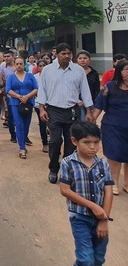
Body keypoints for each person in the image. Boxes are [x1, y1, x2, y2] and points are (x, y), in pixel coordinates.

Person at [37, 43, 94, 184]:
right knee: (55, 141)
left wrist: (88, 111)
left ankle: (66, 170)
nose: (67, 56)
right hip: (53, 110)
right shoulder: (48, 70)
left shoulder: (78, 70)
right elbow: (42, 90)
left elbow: (85, 91)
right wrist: (42, 109)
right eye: (63, 53)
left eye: (69, 53)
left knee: (71, 143)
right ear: (56, 54)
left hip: (72, 111)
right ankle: (53, 168)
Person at [59, 122, 113, 266]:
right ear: (74, 141)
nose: (92, 147)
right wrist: (92, 205)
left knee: (98, 258)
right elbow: (65, 190)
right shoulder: (68, 163)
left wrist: (104, 220)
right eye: (86, 142)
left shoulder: (103, 164)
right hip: (79, 217)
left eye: (96, 142)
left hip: (101, 218)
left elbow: (108, 191)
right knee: (86, 260)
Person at [92, 60, 128, 196]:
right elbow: (100, 105)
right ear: (119, 71)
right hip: (113, 127)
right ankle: (113, 182)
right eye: (126, 69)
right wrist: (92, 120)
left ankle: (127, 183)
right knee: (115, 154)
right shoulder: (109, 87)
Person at [6, 57, 38, 159]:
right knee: (19, 124)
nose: (19, 66)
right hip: (16, 103)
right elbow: (8, 90)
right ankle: (22, 148)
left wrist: (27, 97)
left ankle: (23, 142)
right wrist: (19, 97)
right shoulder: (11, 77)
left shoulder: (30, 76)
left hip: (28, 103)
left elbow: (36, 88)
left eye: (21, 63)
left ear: (24, 65)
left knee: (26, 125)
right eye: (17, 64)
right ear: (14, 65)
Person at [76, 50, 100, 121]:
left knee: (90, 122)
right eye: (80, 58)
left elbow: (97, 89)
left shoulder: (94, 73)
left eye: (85, 58)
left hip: (91, 102)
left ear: (89, 60)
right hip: (77, 102)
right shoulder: (73, 72)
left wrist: (95, 103)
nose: (82, 60)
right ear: (76, 60)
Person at [0, 50, 17, 143]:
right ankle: (13, 134)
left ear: (13, 56)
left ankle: (23, 135)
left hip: (20, 94)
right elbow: (0, 80)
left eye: (8, 56)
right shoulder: (2, 68)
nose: (6, 58)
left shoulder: (18, 66)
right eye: (5, 57)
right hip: (8, 95)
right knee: (11, 115)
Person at [33, 60, 49, 153]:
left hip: (51, 104)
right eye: (40, 66)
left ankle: (54, 144)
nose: (42, 67)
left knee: (51, 125)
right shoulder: (35, 77)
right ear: (37, 67)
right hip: (38, 103)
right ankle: (45, 143)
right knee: (42, 124)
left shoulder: (52, 76)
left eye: (44, 65)